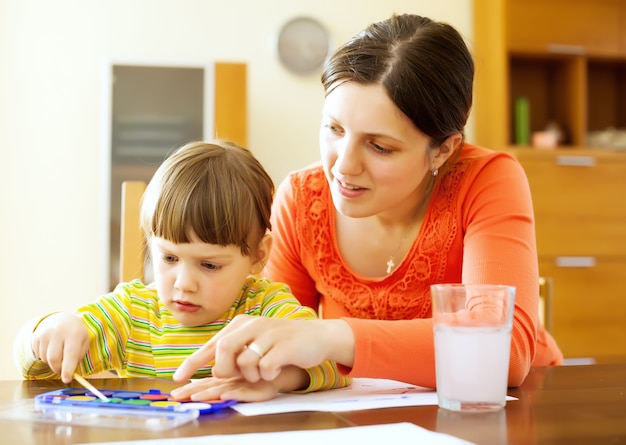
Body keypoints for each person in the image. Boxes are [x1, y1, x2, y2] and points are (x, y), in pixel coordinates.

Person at [173, 13, 563, 392]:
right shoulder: (301, 201)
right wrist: (275, 373)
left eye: (380, 147)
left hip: (514, 408)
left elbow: (501, 351)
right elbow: (284, 336)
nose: (343, 165)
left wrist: (333, 334)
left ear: (443, 150)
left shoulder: (486, 180)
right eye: (334, 129)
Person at [13, 140, 350, 402]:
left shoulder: (265, 307)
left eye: (209, 265)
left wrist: (275, 377)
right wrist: (47, 330)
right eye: (169, 259)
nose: (184, 284)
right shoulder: (131, 313)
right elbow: (36, 370)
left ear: (259, 255)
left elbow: (331, 365)